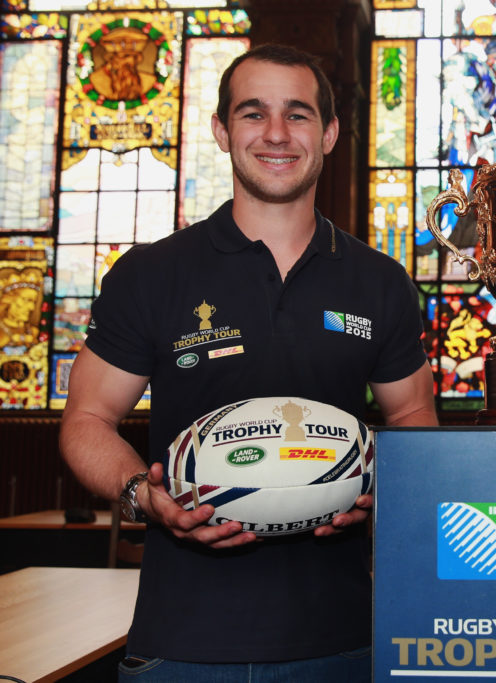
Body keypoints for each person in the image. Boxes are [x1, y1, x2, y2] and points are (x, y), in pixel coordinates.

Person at [59, 43, 437, 681]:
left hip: (344, 642)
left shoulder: (380, 282)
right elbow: (87, 418)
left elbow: (414, 414)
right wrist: (140, 497)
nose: (276, 134)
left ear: (330, 133)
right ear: (221, 131)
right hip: (182, 646)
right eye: (253, 113)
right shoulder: (151, 274)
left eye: (298, 114)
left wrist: (388, 490)